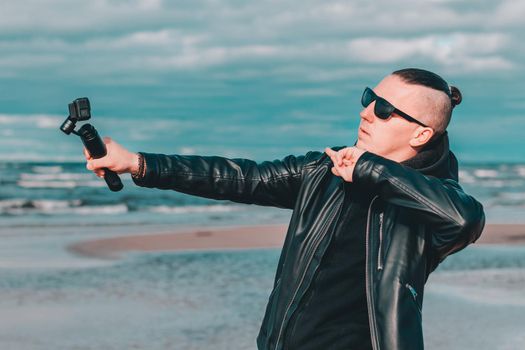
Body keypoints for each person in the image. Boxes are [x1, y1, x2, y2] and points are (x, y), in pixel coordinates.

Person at [84, 68, 486, 350]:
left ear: (420, 133)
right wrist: (138, 163)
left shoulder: (432, 203)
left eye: (384, 109)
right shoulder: (322, 170)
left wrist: (371, 170)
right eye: (370, 98)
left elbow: (463, 217)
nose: (366, 112)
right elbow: (240, 177)